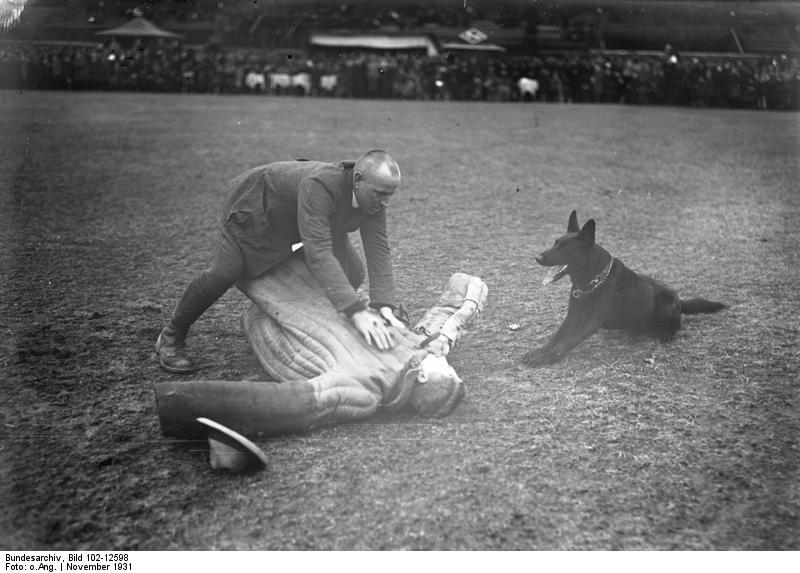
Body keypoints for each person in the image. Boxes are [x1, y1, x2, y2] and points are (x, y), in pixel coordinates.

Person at [155, 150, 404, 374]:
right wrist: (356, 311)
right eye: (381, 195)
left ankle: (287, 324)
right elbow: (319, 252)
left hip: (303, 224)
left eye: (389, 196)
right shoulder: (319, 185)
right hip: (256, 208)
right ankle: (172, 334)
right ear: (358, 180)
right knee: (225, 272)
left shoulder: (373, 199)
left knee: (353, 273)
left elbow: (378, 248)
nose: (385, 203)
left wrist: (384, 306)